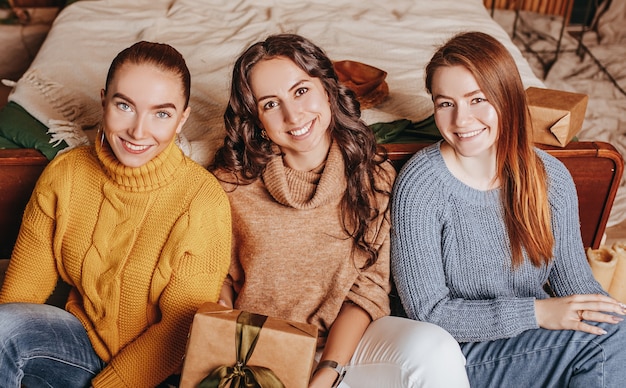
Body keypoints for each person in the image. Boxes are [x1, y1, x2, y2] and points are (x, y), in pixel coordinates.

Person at [211, 33, 469, 388]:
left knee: (435, 349)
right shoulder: (231, 183)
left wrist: (328, 371)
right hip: (255, 353)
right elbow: (216, 280)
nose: (293, 114)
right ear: (257, 121)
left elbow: (367, 290)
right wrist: (234, 343)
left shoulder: (373, 176)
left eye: (301, 91)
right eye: (271, 104)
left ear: (328, 90)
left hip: (345, 350)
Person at [390, 31, 626, 387]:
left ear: (507, 97)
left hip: (531, 342)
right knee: (608, 342)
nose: (461, 120)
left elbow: (576, 283)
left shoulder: (549, 177)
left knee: (617, 334)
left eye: (477, 99)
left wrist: (616, 318)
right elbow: (429, 313)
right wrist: (538, 312)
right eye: (445, 103)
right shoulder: (421, 185)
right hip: (455, 355)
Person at [0, 41, 232, 387]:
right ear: (104, 100)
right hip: (79, 345)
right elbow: (21, 296)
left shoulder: (202, 201)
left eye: (161, 113)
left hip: (155, 372)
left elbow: (177, 330)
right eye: (125, 106)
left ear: (182, 118)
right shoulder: (66, 174)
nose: (138, 131)